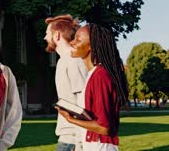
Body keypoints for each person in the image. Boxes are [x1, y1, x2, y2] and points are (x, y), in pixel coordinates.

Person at [57, 23, 129, 151]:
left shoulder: (100, 76)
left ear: (91, 46)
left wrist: (70, 119)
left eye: (78, 40)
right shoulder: (93, 74)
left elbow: (103, 127)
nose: (72, 43)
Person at [44, 15, 88, 151]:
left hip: (73, 141)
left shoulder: (74, 61)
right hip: (67, 138)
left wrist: (79, 144)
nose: (45, 38)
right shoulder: (64, 61)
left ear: (56, 35)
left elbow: (84, 103)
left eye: (47, 34)